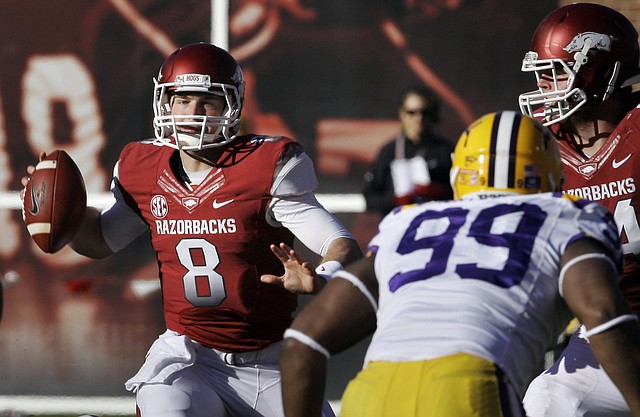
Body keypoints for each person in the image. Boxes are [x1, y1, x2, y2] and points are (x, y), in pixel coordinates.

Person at [21, 42, 362, 417]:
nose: (192, 113)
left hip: (269, 360)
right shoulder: (143, 167)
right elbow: (102, 239)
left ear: (230, 107)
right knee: (172, 409)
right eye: (183, 100)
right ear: (165, 103)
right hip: (189, 358)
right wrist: (59, 213)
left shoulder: (265, 166)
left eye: (207, 102)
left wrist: (322, 277)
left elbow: (340, 244)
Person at [279, 110, 640, 417]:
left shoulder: (409, 222)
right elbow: (603, 312)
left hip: (370, 395)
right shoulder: (564, 216)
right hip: (471, 389)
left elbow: (301, 341)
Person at [517, 3, 640, 416]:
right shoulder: (542, 151)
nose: (545, 88)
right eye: (541, 76)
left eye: (555, 74)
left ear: (602, 73)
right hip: (607, 330)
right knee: (550, 401)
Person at [362, 86, 453, 216]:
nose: (418, 118)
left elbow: (461, 194)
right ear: (401, 114)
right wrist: (395, 200)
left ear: (433, 115)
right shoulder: (388, 152)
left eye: (425, 112)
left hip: (436, 228)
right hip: (398, 228)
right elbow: (370, 198)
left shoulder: (446, 151)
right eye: (411, 112)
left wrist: (439, 192)